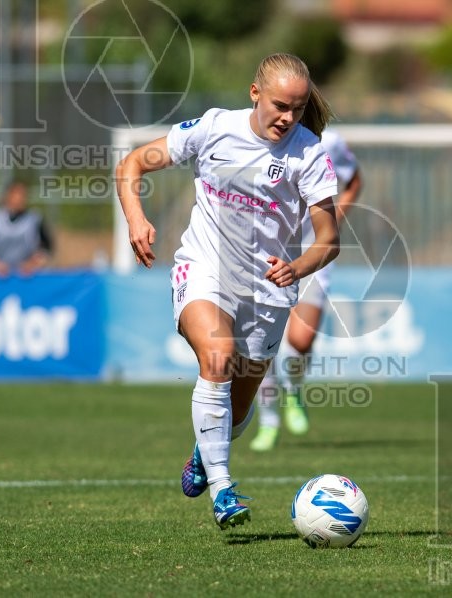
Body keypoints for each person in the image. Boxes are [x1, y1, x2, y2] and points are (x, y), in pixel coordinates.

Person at [115, 53, 340, 530]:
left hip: (268, 290)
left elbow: (329, 240)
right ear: (254, 93)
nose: (288, 117)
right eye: (280, 105)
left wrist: (297, 267)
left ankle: (206, 450)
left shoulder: (309, 154)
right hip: (204, 269)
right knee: (216, 358)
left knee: (237, 412)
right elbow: (132, 164)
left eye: (298, 109)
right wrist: (136, 218)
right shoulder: (214, 128)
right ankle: (223, 491)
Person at [250, 129, 362, 451]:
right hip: (265, 254)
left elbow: (355, 181)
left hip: (313, 255)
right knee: (260, 346)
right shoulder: (257, 139)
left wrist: (334, 219)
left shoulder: (330, 142)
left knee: (300, 340)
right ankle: (268, 421)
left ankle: (294, 389)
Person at [0, 180, 53, 276]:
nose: (20, 199)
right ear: (7, 196)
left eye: (23, 195)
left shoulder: (35, 219)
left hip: (27, 277)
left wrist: (32, 264)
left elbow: (46, 249)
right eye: (16, 195)